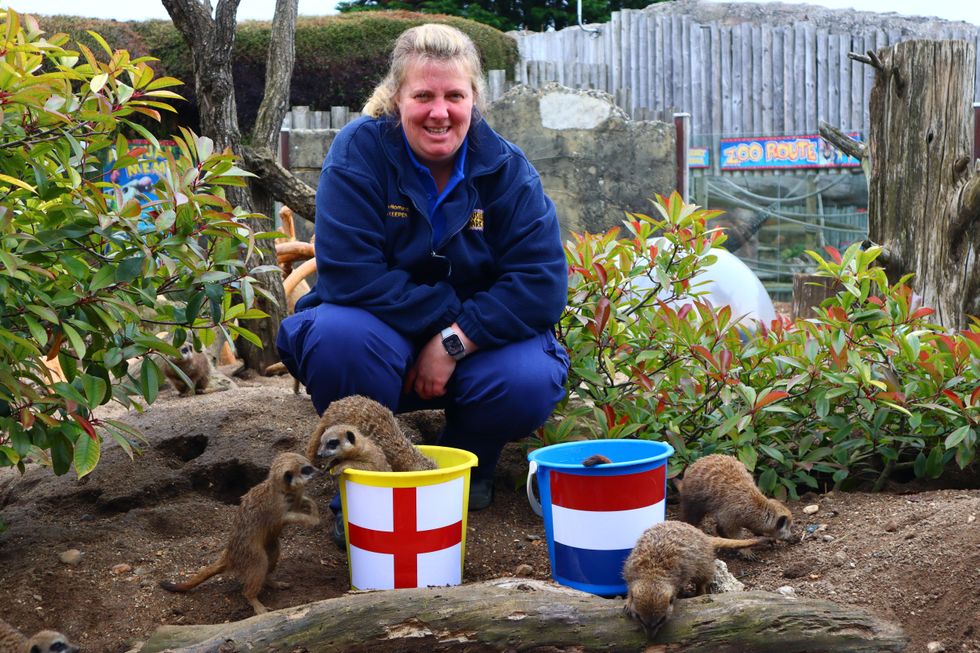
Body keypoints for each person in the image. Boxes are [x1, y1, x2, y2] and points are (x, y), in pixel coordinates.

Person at [275, 24, 569, 533]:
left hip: (475, 352)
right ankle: (364, 482)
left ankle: (468, 460)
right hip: (375, 335)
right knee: (338, 337)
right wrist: (445, 320)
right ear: (396, 98)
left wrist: (455, 341)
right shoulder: (360, 152)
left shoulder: (507, 169)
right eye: (423, 95)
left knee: (528, 377)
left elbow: (542, 283)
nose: (440, 112)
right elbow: (348, 274)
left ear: (474, 98)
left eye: (455, 95)